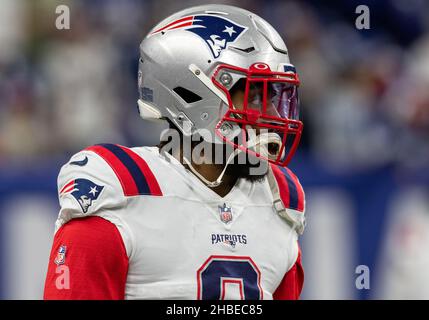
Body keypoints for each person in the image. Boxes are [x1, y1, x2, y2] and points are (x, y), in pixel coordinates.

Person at [44, 4, 306, 300]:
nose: (271, 112)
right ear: (191, 93)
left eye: (273, 95)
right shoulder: (120, 192)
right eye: (254, 95)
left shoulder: (276, 202)